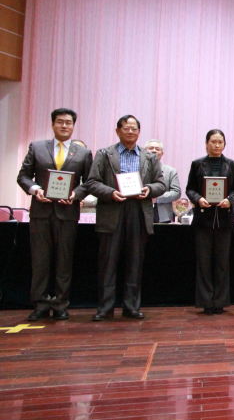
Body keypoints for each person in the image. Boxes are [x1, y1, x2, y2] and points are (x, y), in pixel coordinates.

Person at [85, 115, 166, 320]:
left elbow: (161, 184)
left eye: (134, 128)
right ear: (117, 131)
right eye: (126, 128)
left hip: (138, 212)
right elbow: (92, 182)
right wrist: (111, 192)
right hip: (112, 210)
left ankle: (131, 307)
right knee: (108, 262)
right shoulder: (104, 154)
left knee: (135, 262)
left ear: (139, 132)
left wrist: (149, 189)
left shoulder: (149, 157)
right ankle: (105, 309)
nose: (130, 131)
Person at [16, 108, 93, 321]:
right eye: (60, 122)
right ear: (53, 124)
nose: (64, 126)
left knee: (64, 261)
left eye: (68, 122)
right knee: (40, 260)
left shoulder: (83, 153)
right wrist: (35, 190)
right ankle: (40, 304)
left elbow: (90, 181)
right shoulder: (37, 147)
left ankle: (60, 304)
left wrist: (76, 194)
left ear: (73, 126)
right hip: (41, 213)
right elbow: (23, 176)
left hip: (67, 213)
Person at [185, 129, 234, 315]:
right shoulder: (197, 164)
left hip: (224, 220)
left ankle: (220, 301)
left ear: (224, 144)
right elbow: (190, 189)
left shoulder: (232, 164)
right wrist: (198, 199)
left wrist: (230, 200)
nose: (217, 145)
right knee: (204, 262)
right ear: (206, 143)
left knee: (222, 262)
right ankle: (206, 301)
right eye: (213, 142)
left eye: (220, 142)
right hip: (203, 219)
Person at [145, 139, 181, 223]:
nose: (154, 150)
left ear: (162, 153)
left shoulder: (171, 171)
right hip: (141, 213)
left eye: (157, 149)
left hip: (164, 216)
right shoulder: (137, 170)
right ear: (144, 152)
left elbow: (177, 192)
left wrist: (156, 198)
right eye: (151, 148)